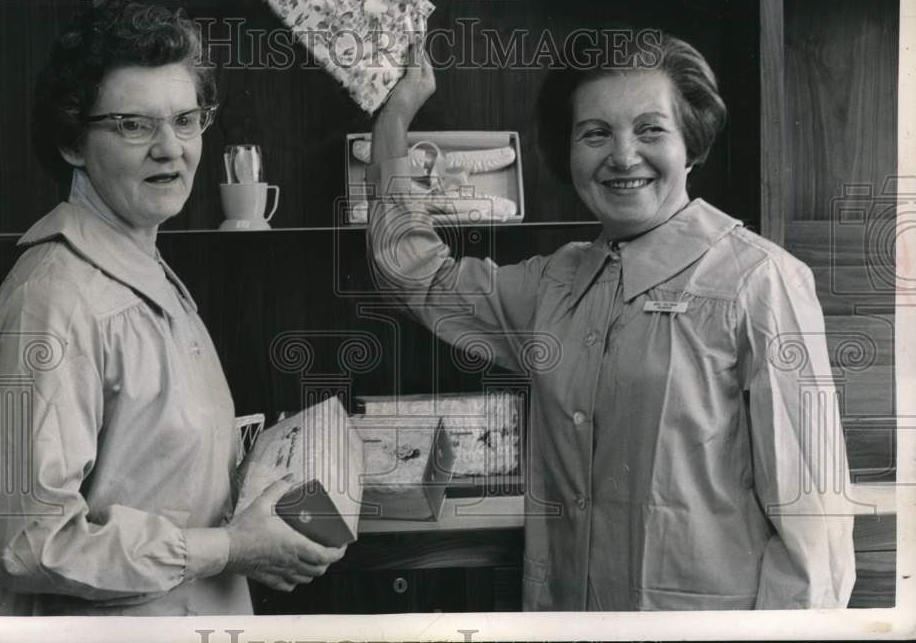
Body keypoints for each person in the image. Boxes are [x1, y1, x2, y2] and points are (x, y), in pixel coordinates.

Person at [366, 32, 856, 611]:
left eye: (651, 129)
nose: (623, 156)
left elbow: (815, 537)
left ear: (691, 144)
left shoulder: (762, 282)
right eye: (595, 133)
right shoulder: (554, 284)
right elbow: (416, 275)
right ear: (567, 154)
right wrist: (394, 118)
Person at [0, 0, 346, 615]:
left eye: (185, 120)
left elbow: (152, 477)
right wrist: (231, 547)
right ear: (73, 142)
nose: (171, 149)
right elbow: (31, 541)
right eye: (134, 126)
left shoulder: (145, 269)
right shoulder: (55, 300)